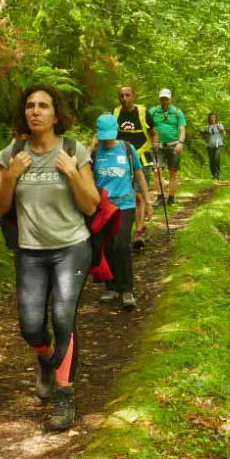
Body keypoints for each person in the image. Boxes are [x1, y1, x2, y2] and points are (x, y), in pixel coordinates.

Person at [0, 84, 100, 432]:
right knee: (31, 326)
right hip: (30, 251)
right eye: (30, 106)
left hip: (72, 246)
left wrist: (70, 173)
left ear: (55, 114)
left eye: (43, 106)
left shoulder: (73, 151)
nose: (35, 111)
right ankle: (47, 359)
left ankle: (64, 395)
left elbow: (91, 205)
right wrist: (10, 176)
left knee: (63, 317)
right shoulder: (10, 154)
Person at [93, 114, 148, 309]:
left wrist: (147, 202)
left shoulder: (127, 149)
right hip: (102, 206)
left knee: (121, 244)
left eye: (109, 135)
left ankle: (127, 290)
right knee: (105, 245)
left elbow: (140, 175)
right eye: (103, 135)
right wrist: (91, 147)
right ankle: (111, 286)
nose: (107, 139)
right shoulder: (93, 152)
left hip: (125, 204)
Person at [109, 85, 157, 247]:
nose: (124, 98)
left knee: (139, 195)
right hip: (121, 159)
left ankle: (139, 231)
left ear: (134, 96)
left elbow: (153, 132)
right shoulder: (115, 113)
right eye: (121, 96)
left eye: (127, 95)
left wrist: (156, 144)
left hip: (141, 157)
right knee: (124, 194)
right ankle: (124, 230)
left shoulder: (143, 112)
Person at [150, 88, 186, 206]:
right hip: (157, 146)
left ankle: (171, 197)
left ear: (170, 99)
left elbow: (182, 129)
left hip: (173, 145)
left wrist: (180, 143)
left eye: (166, 98)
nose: (164, 101)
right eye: (162, 98)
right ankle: (160, 197)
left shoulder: (177, 112)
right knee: (157, 171)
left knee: (173, 173)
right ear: (159, 99)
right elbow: (145, 124)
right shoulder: (153, 111)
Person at [202, 113, 226, 180]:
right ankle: (213, 174)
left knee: (216, 157)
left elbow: (224, 134)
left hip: (219, 144)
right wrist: (205, 131)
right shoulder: (208, 126)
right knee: (211, 160)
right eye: (211, 117)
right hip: (210, 145)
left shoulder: (219, 125)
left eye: (213, 117)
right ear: (209, 118)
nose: (212, 118)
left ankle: (218, 173)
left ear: (216, 118)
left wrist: (222, 130)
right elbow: (205, 136)